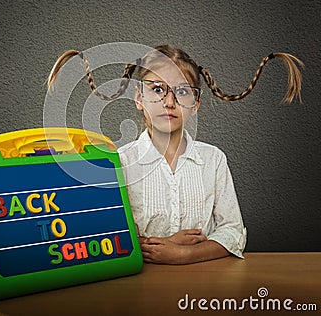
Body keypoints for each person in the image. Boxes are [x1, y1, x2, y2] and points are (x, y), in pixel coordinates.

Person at [47, 44, 303, 265]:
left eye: (181, 91)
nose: (169, 101)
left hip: (205, 286)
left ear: (195, 103)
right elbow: (111, 237)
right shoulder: (121, 163)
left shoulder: (213, 160)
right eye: (157, 89)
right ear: (139, 98)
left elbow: (232, 231)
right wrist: (164, 245)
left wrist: (182, 254)